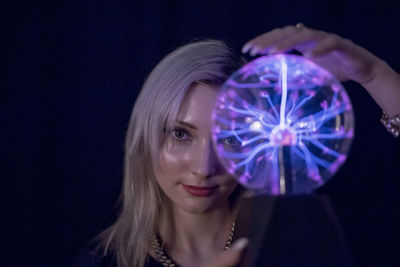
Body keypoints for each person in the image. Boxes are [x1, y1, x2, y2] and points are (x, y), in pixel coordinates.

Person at [73, 24, 400, 267]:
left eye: (231, 138)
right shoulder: (101, 262)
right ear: (144, 137)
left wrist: (374, 75)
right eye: (181, 134)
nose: (204, 168)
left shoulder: (300, 244)